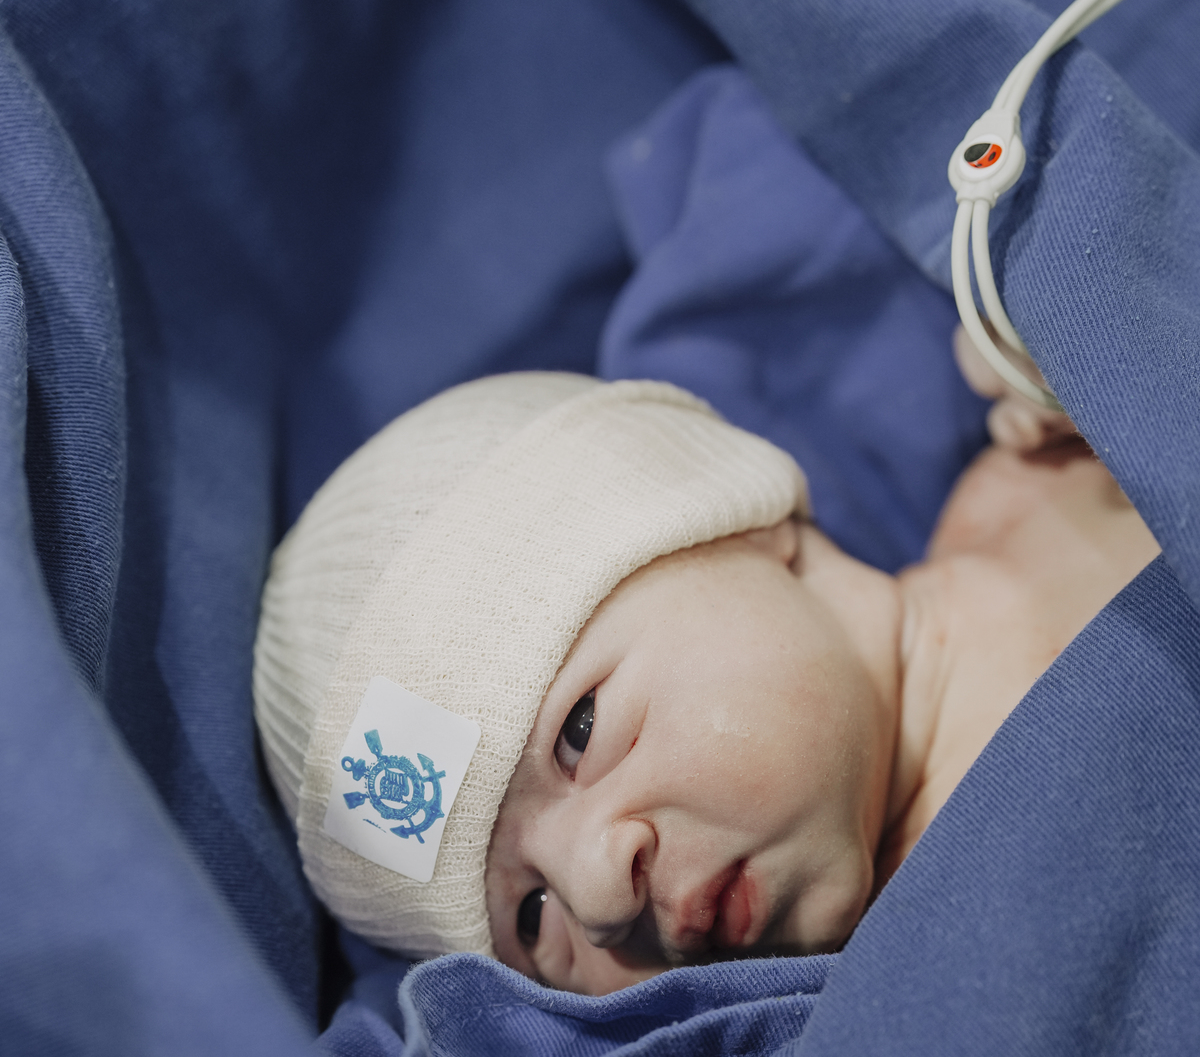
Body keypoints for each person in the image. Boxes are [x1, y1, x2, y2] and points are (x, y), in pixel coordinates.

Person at [253, 340, 1157, 998]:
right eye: (532, 921)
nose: (600, 896)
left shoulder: (1045, 463)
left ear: (741, 525)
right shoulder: (924, 978)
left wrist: (1110, 352)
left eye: (580, 732)